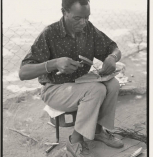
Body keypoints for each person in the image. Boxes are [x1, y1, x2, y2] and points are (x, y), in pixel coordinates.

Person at [19, 0, 124, 156]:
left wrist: (111, 57)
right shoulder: (49, 33)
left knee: (113, 84)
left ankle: (97, 130)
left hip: (82, 82)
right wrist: (54, 63)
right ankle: (74, 141)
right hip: (54, 89)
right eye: (77, 18)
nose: (83, 22)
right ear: (64, 12)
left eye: (87, 17)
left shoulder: (88, 29)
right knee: (96, 90)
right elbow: (23, 73)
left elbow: (113, 48)